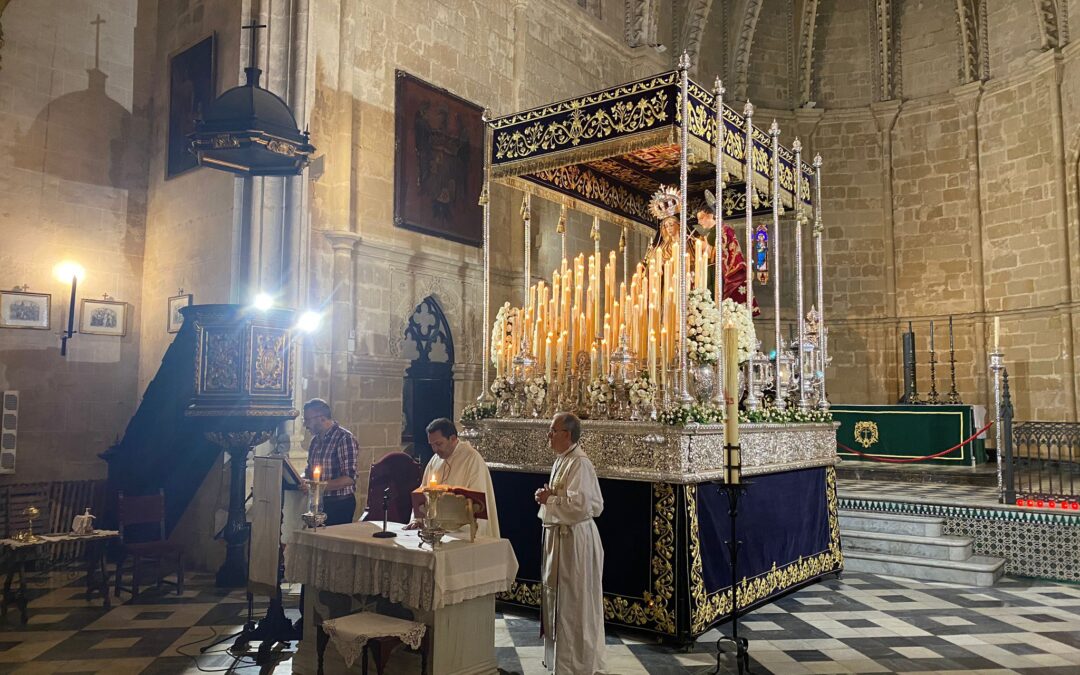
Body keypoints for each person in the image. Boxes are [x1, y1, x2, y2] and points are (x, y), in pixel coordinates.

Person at [535, 412, 605, 674]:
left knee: (575, 602)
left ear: (568, 434)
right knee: (559, 600)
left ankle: (578, 664)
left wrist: (550, 500)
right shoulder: (563, 460)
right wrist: (549, 496)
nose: (549, 435)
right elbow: (565, 497)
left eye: (553, 430)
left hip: (575, 540)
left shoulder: (580, 463)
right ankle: (561, 663)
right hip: (561, 538)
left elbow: (582, 505)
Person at [406, 418, 501, 537]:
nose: (435, 450)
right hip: (435, 531)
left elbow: (478, 502)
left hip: (463, 532)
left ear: (453, 438)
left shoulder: (471, 459)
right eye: (432, 445)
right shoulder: (435, 460)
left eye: (439, 444)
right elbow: (422, 493)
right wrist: (417, 520)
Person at [694, 189, 760, 316]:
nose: (699, 222)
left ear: (711, 216)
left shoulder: (724, 229)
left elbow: (725, 250)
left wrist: (705, 246)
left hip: (720, 272)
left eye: (701, 218)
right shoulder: (709, 233)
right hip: (709, 271)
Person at [301, 398, 359, 526]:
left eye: (307, 420)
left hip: (339, 504)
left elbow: (349, 478)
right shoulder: (314, 441)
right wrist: (300, 479)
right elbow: (309, 471)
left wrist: (316, 487)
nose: (305, 425)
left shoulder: (344, 438)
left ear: (321, 418)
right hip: (317, 503)